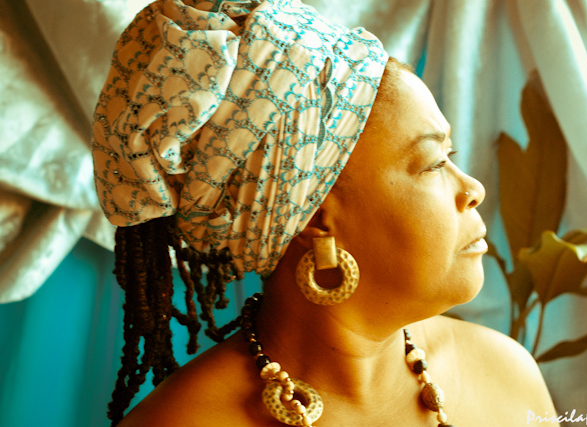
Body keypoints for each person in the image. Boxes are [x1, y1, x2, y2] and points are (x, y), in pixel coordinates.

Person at [92, 1, 559, 426]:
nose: (473, 189)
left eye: (450, 155)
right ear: (315, 217)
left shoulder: (506, 374)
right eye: (434, 163)